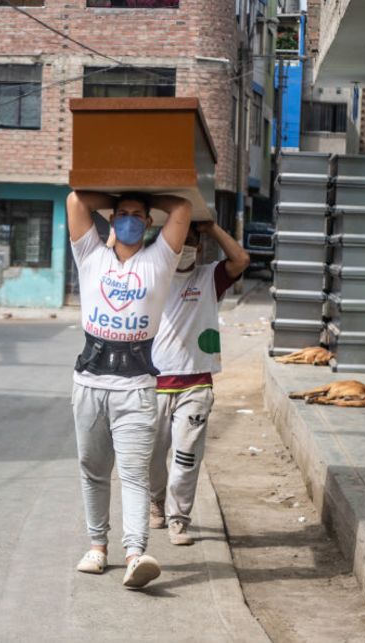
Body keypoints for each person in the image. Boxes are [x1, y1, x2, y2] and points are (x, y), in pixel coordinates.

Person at [66, 190, 193, 588]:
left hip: (137, 388)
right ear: (110, 218)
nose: (130, 220)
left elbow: (183, 208)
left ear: (149, 223)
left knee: (135, 474)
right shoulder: (91, 254)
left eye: (138, 215)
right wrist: (117, 191)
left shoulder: (159, 260)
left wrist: (146, 189)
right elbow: (74, 200)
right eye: (122, 214)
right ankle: (97, 547)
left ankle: (136, 553)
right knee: (93, 470)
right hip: (89, 382)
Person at [149, 221, 250, 545]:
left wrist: (212, 229)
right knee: (152, 458)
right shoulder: (152, 276)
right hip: (153, 383)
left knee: (186, 457)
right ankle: (155, 501)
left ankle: (179, 519)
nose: (186, 246)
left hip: (195, 384)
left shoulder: (210, 278)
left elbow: (241, 260)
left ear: (201, 246)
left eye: (192, 240)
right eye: (181, 240)